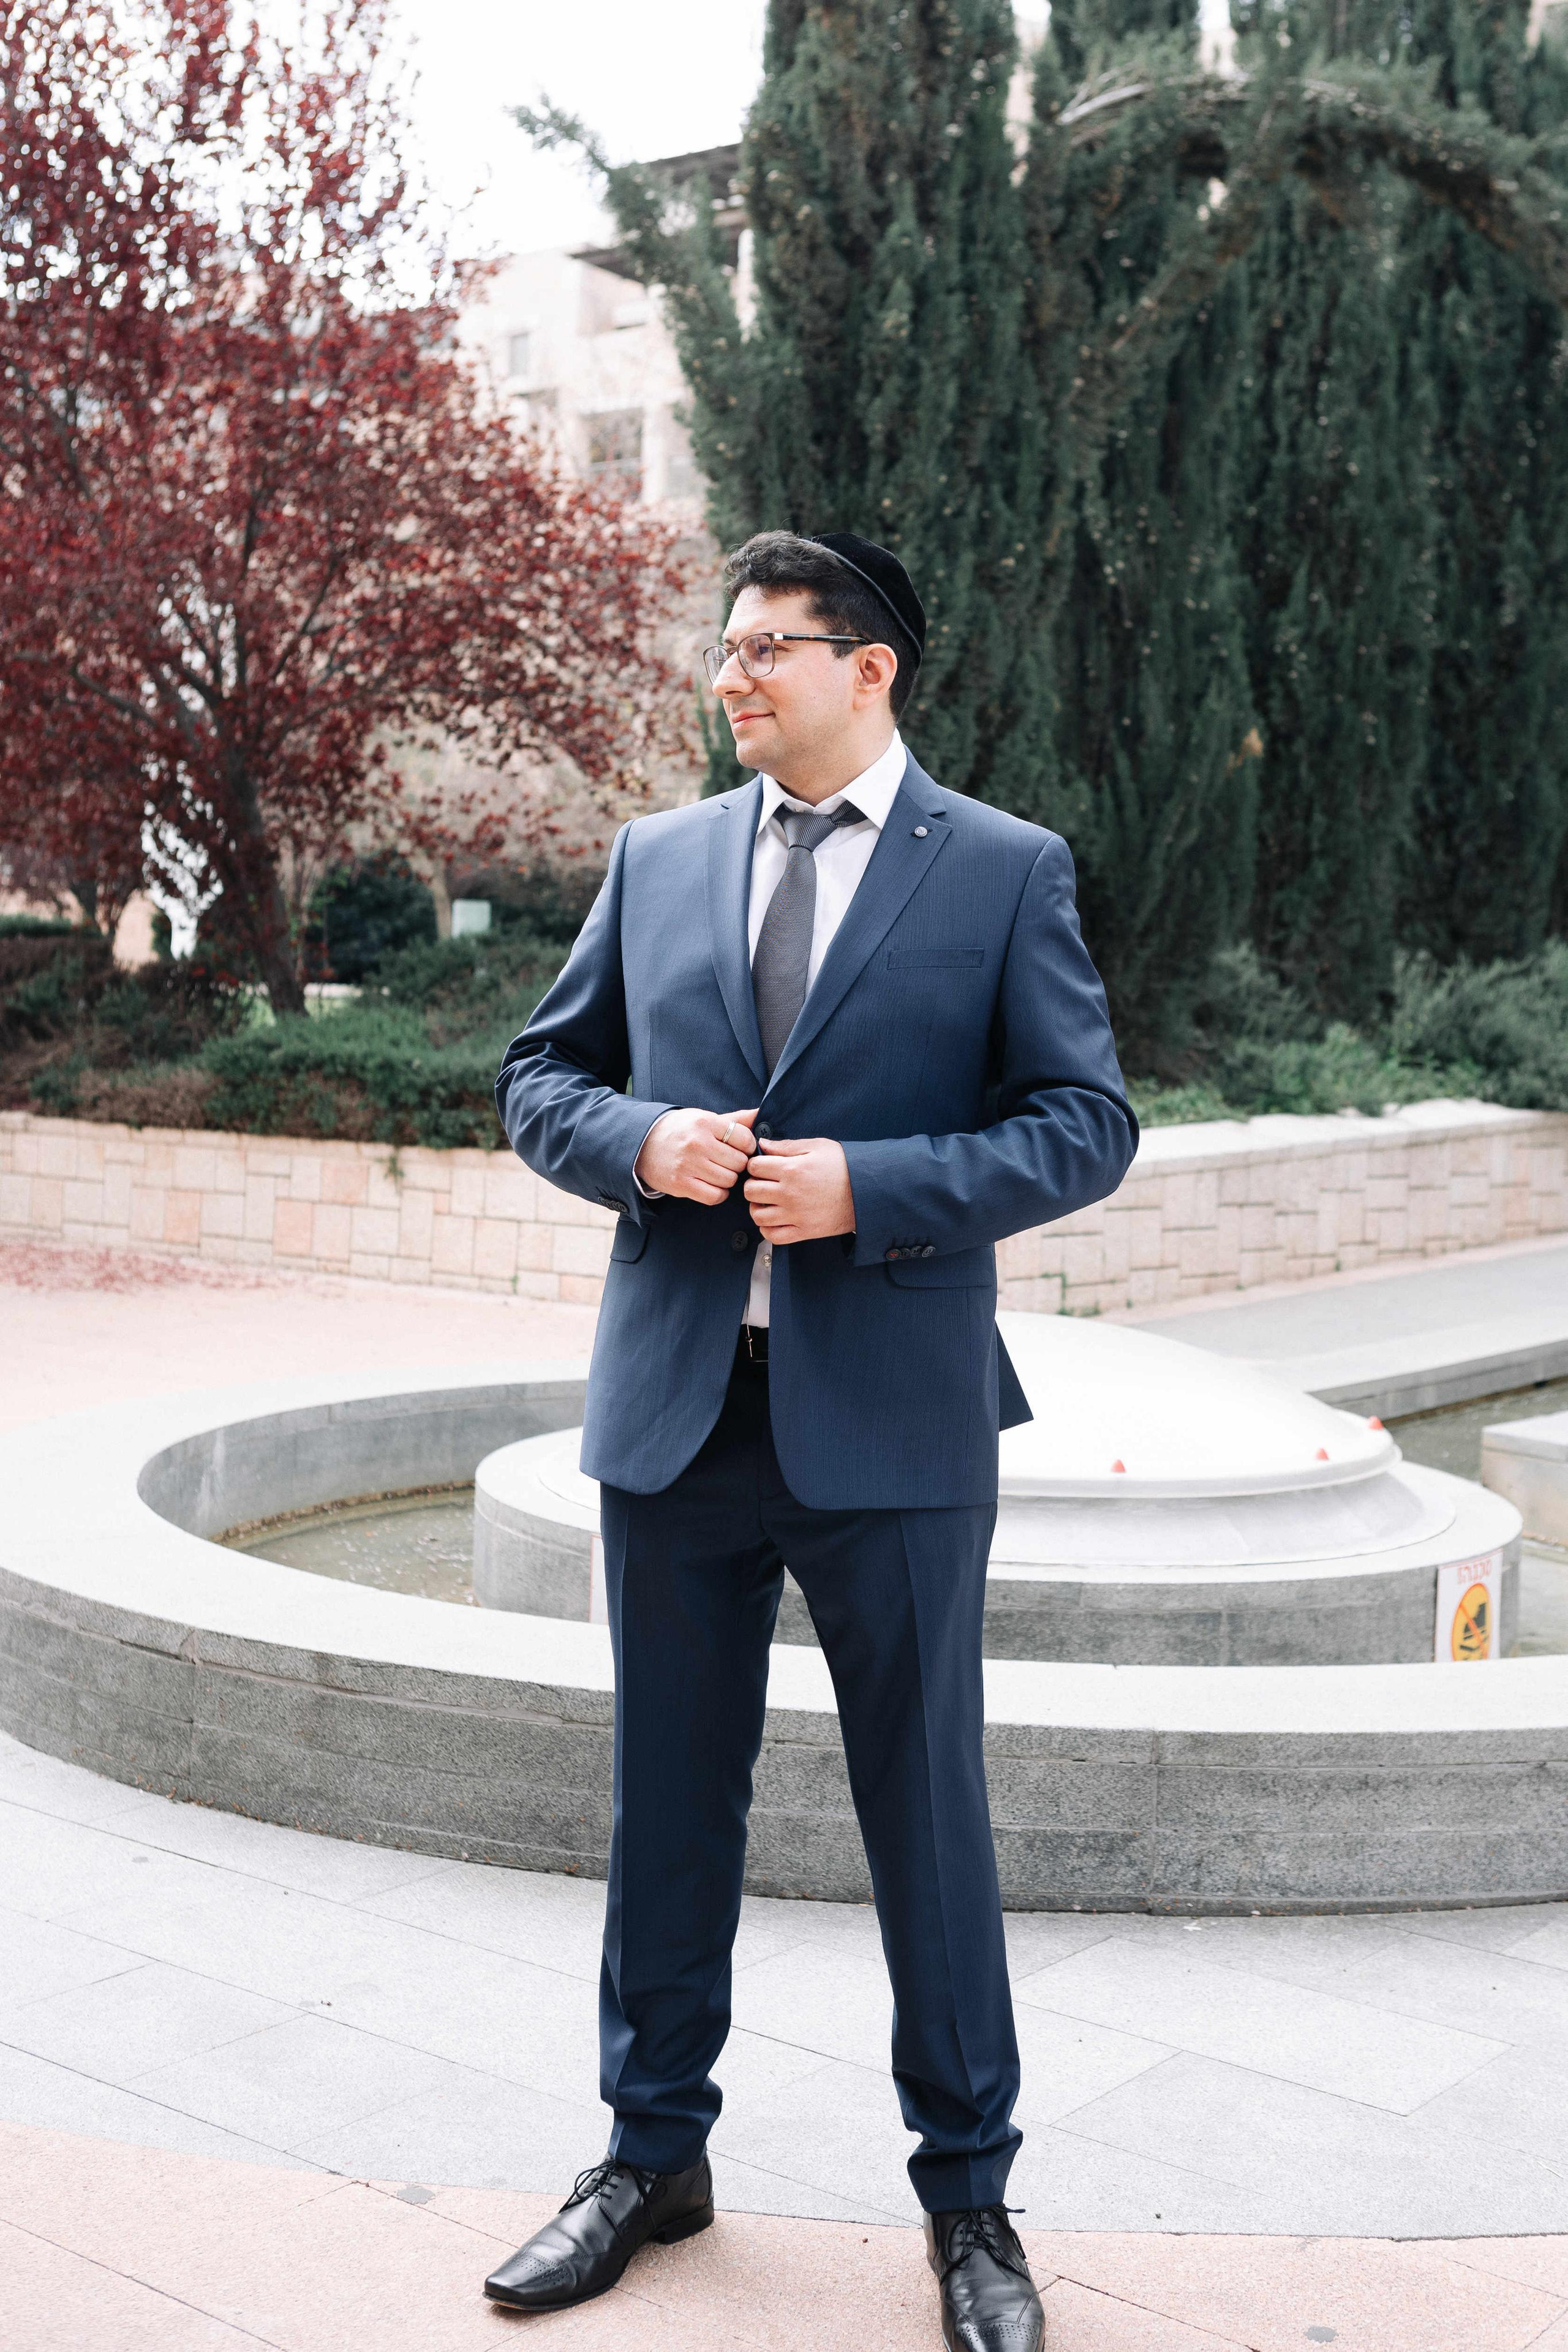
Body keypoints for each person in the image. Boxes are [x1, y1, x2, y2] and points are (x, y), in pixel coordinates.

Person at [486, 529, 1136, 2350]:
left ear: (873, 669)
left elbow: (1086, 1126)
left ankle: (972, 2203)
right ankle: (648, 2157)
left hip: (901, 1428)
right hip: (678, 1411)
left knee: (925, 1817)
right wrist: (640, 1146)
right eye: (727, 644)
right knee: (664, 1809)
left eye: (771, 644)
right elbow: (541, 1079)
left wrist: (877, 1189)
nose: (733, 673)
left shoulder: (1003, 872)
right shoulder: (658, 857)